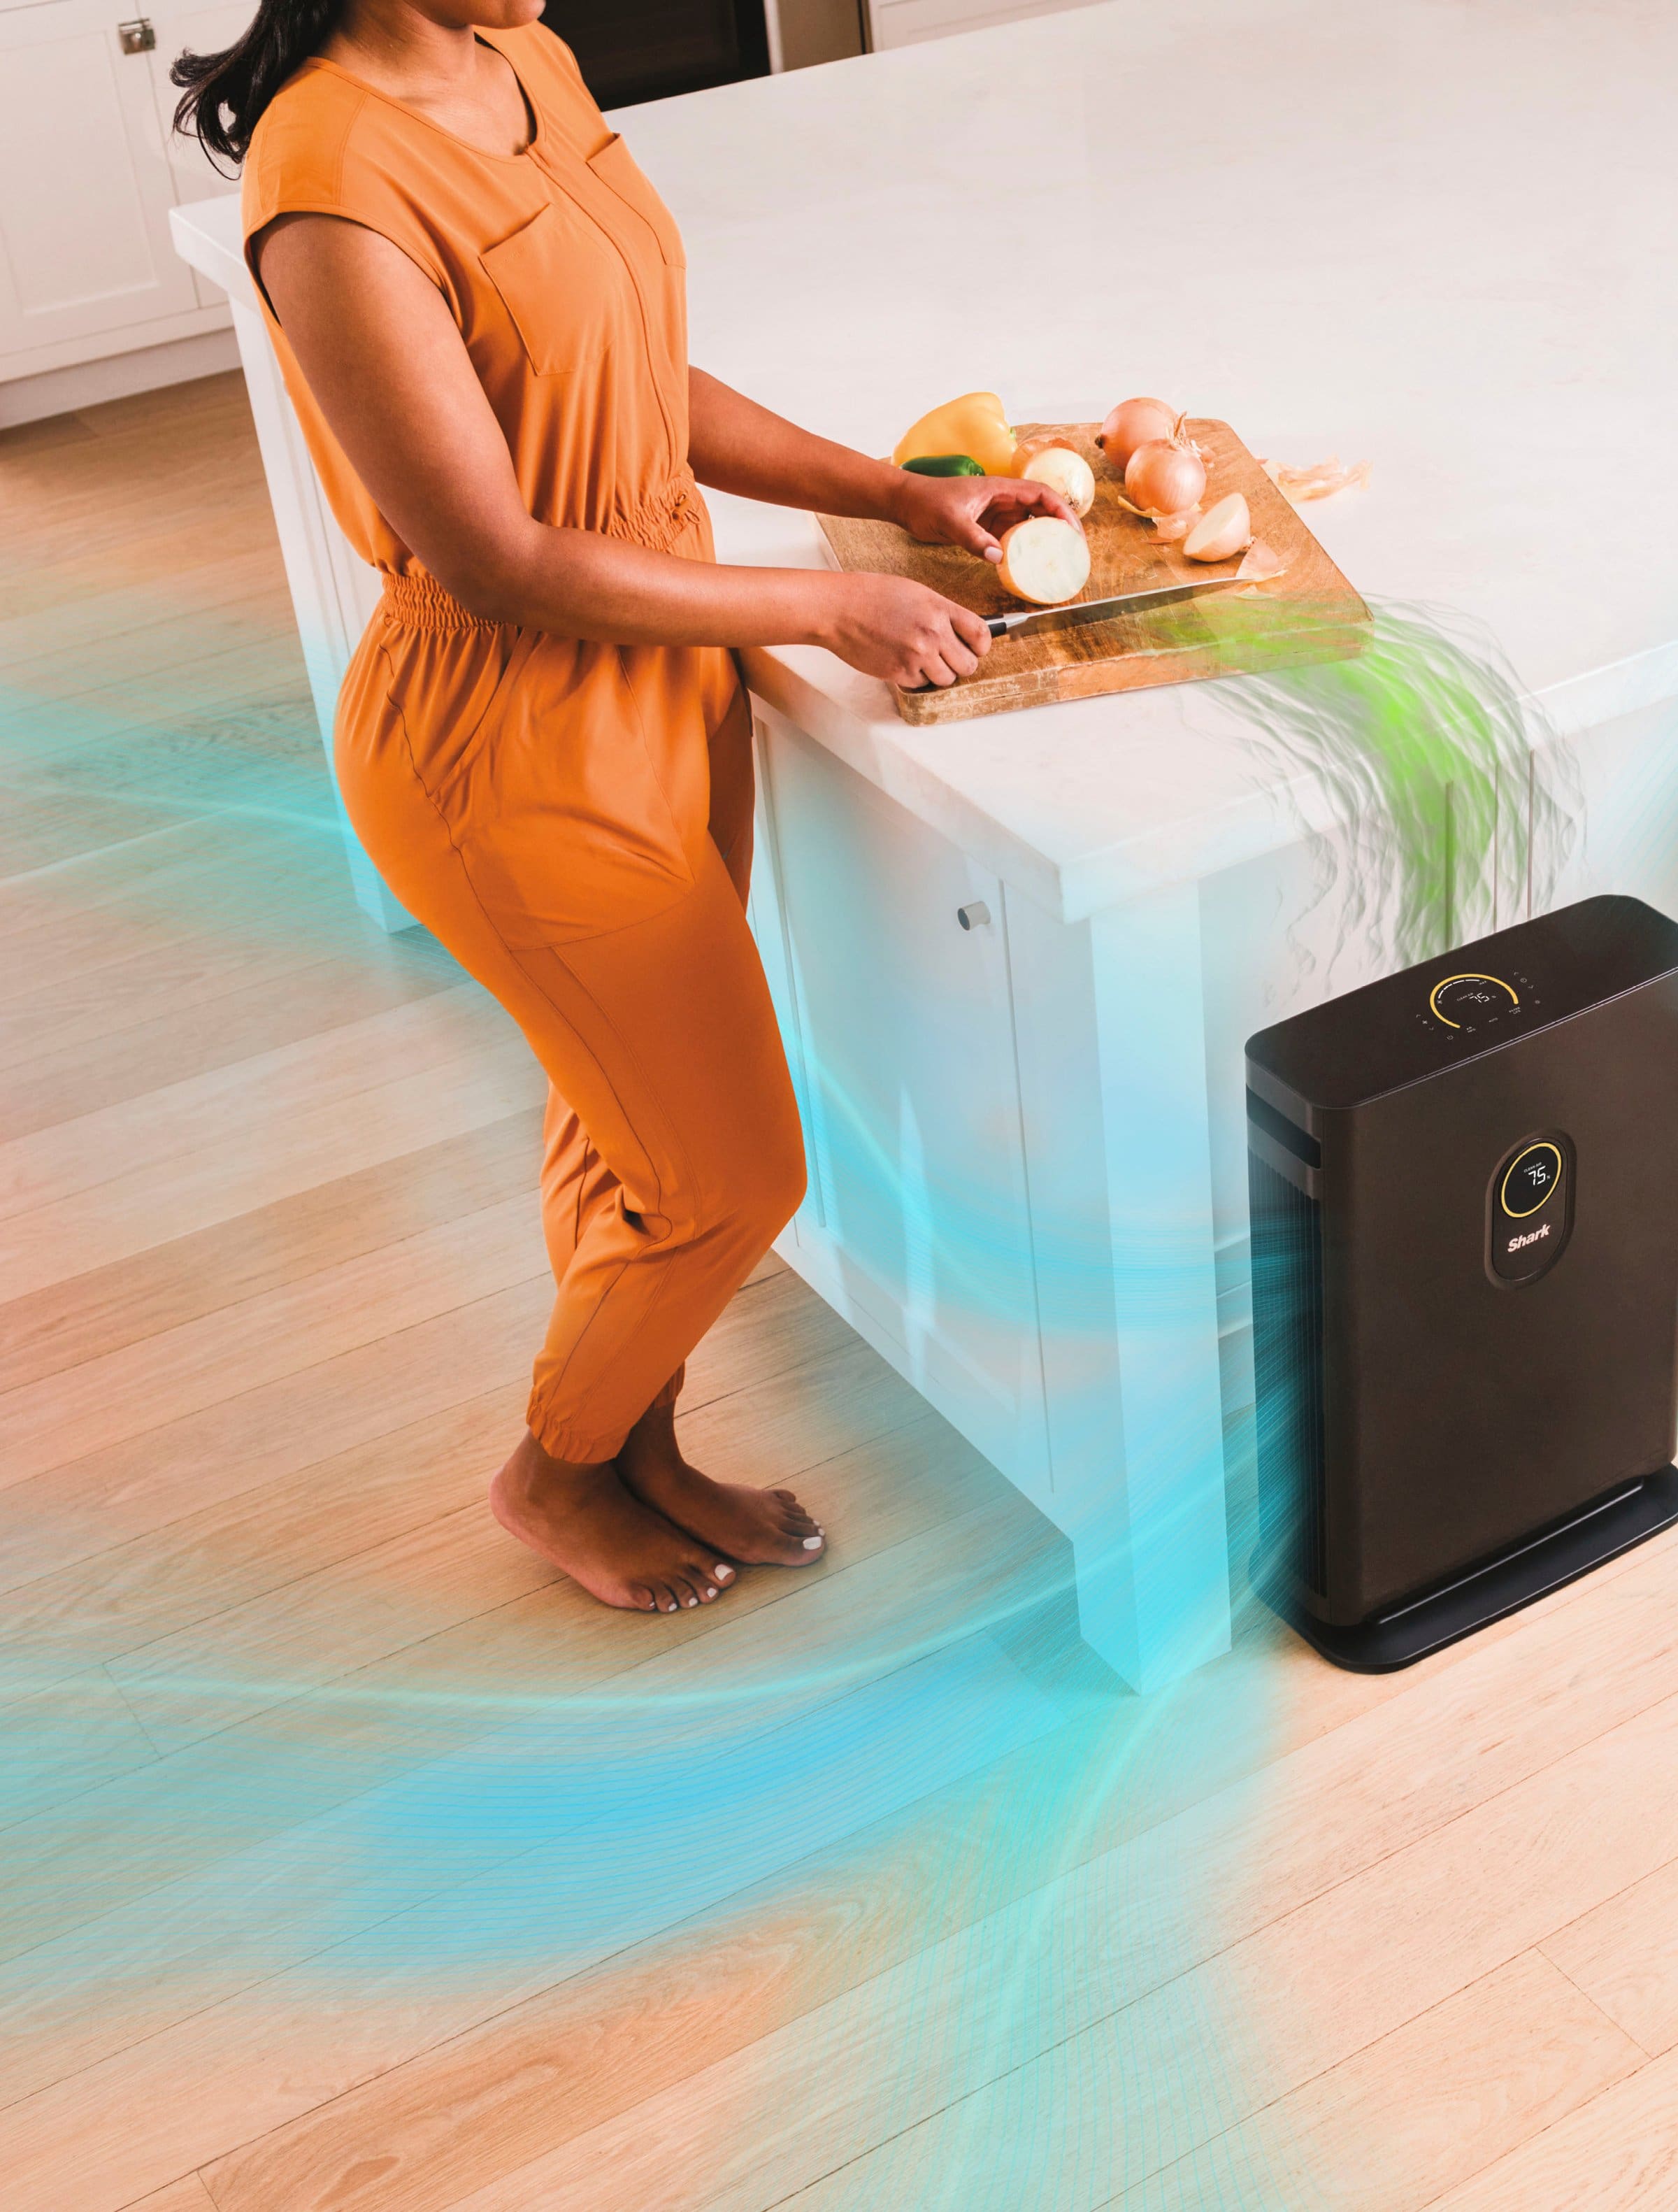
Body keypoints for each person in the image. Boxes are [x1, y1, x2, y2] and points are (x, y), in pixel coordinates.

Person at [172, 0, 1070, 1615]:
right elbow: (494, 555)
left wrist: (890, 494)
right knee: (730, 1175)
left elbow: (638, 371)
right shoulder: (328, 187)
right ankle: (555, 1465)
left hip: (660, 679)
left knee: (628, 1122)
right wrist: (821, 611)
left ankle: (641, 1442)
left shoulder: (519, 55)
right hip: (503, 743)